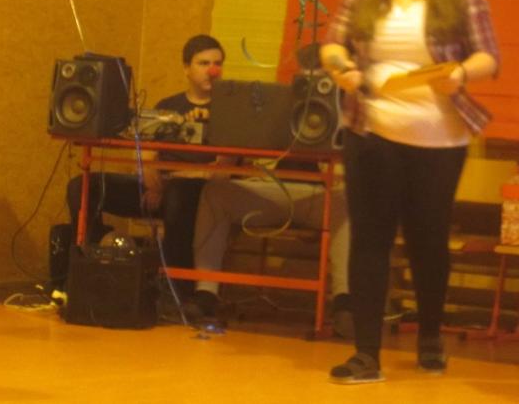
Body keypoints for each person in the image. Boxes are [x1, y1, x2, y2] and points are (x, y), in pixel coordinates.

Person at [320, 0, 500, 384]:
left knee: (428, 242)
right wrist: (342, 69)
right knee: (370, 240)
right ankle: (366, 355)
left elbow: (489, 57)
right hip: (371, 133)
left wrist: (461, 72)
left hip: (439, 143)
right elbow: (333, 42)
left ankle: (430, 338)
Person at [65, 34, 225, 295]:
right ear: (186, 68)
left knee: (178, 194)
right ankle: (92, 271)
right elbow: (145, 156)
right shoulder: (168, 106)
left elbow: (222, 170)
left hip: (197, 193)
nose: (212, 70)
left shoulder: (228, 111)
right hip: (157, 186)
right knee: (81, 186)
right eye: (203, 63)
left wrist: (173, 181)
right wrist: (154, 184)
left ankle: (176, 290)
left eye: (217, 63)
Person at [190, 158, 353, 334]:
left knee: (348, 200)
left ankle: (345, 302)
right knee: (214, 192)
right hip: (263, 186)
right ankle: (206, 292)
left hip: (319, 190)